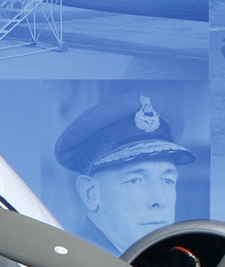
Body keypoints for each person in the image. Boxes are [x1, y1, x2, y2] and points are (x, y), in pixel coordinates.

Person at [54, 90, 195, 254]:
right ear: (90, 193)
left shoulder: (167, 261)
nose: (160, 199)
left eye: (167, 180)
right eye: (135, 180)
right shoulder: (76, 264)